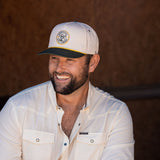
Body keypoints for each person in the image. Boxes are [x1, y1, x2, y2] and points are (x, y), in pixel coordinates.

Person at [0, 21, 134, 160]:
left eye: (70, 59)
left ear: (93, 63)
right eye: (54, 58)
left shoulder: (114, 114)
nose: (59, 68)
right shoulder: (17, 108)